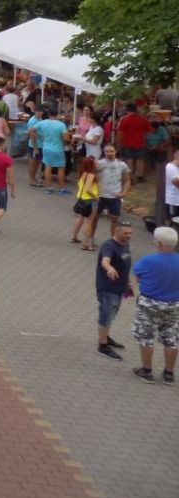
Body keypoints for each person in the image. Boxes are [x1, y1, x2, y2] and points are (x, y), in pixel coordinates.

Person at [129, 225, 179, 384]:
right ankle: (169, 374)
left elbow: (138, 277)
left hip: (150, 304)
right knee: (171, 337)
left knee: (146, 336)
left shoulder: (148, 260)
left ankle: (147, 371)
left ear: (160, 244)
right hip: (174, 305)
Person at [95, 220, 133, 361]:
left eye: (130, 233)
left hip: (119, 287)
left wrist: (127, 282)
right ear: (116, 231)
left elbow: (125, 265)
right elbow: (105, 261)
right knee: (106, 315)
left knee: (112, 314)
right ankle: (103, 345)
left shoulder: (125, 244)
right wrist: (109, 268)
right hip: (108, 288)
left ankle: (106, 336)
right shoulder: (109, 246)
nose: (129, 235)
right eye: (126, 233)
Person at [88, 144, 132, 243]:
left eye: (111, 151)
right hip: (100, 196)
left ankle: (114, 241)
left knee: (115, 220)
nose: (109, 153)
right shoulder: (99, 163)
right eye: (107, 151)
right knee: (95, 218)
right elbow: (90, 177)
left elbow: (127, 180)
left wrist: (123, 193)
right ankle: (90, 238)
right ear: (104, 152)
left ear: (115, 151)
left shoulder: (122, 165)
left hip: (115, 197)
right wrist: (93, 192)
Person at [115, 102, 152, 183]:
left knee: (129, 160)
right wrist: (143, 135)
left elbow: (119, 132)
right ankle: (140, 176)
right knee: (140, 159)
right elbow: (149, 131)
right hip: (140, 142)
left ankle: (130, 178)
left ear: (127, 110)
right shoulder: (143, 119)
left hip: (127, 142)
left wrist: (118, 143)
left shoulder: (124, 119)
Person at [70, 157, 99, 249]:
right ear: (91, 165)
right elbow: (88, 189)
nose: (97, 164)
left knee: (80, 218)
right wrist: (96, 197)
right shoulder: (91, 175)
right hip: (90, 201)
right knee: (89, 222)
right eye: (95, 163)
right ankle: (85, 244)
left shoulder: (83, 173)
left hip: (81, 199)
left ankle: (74, 236)